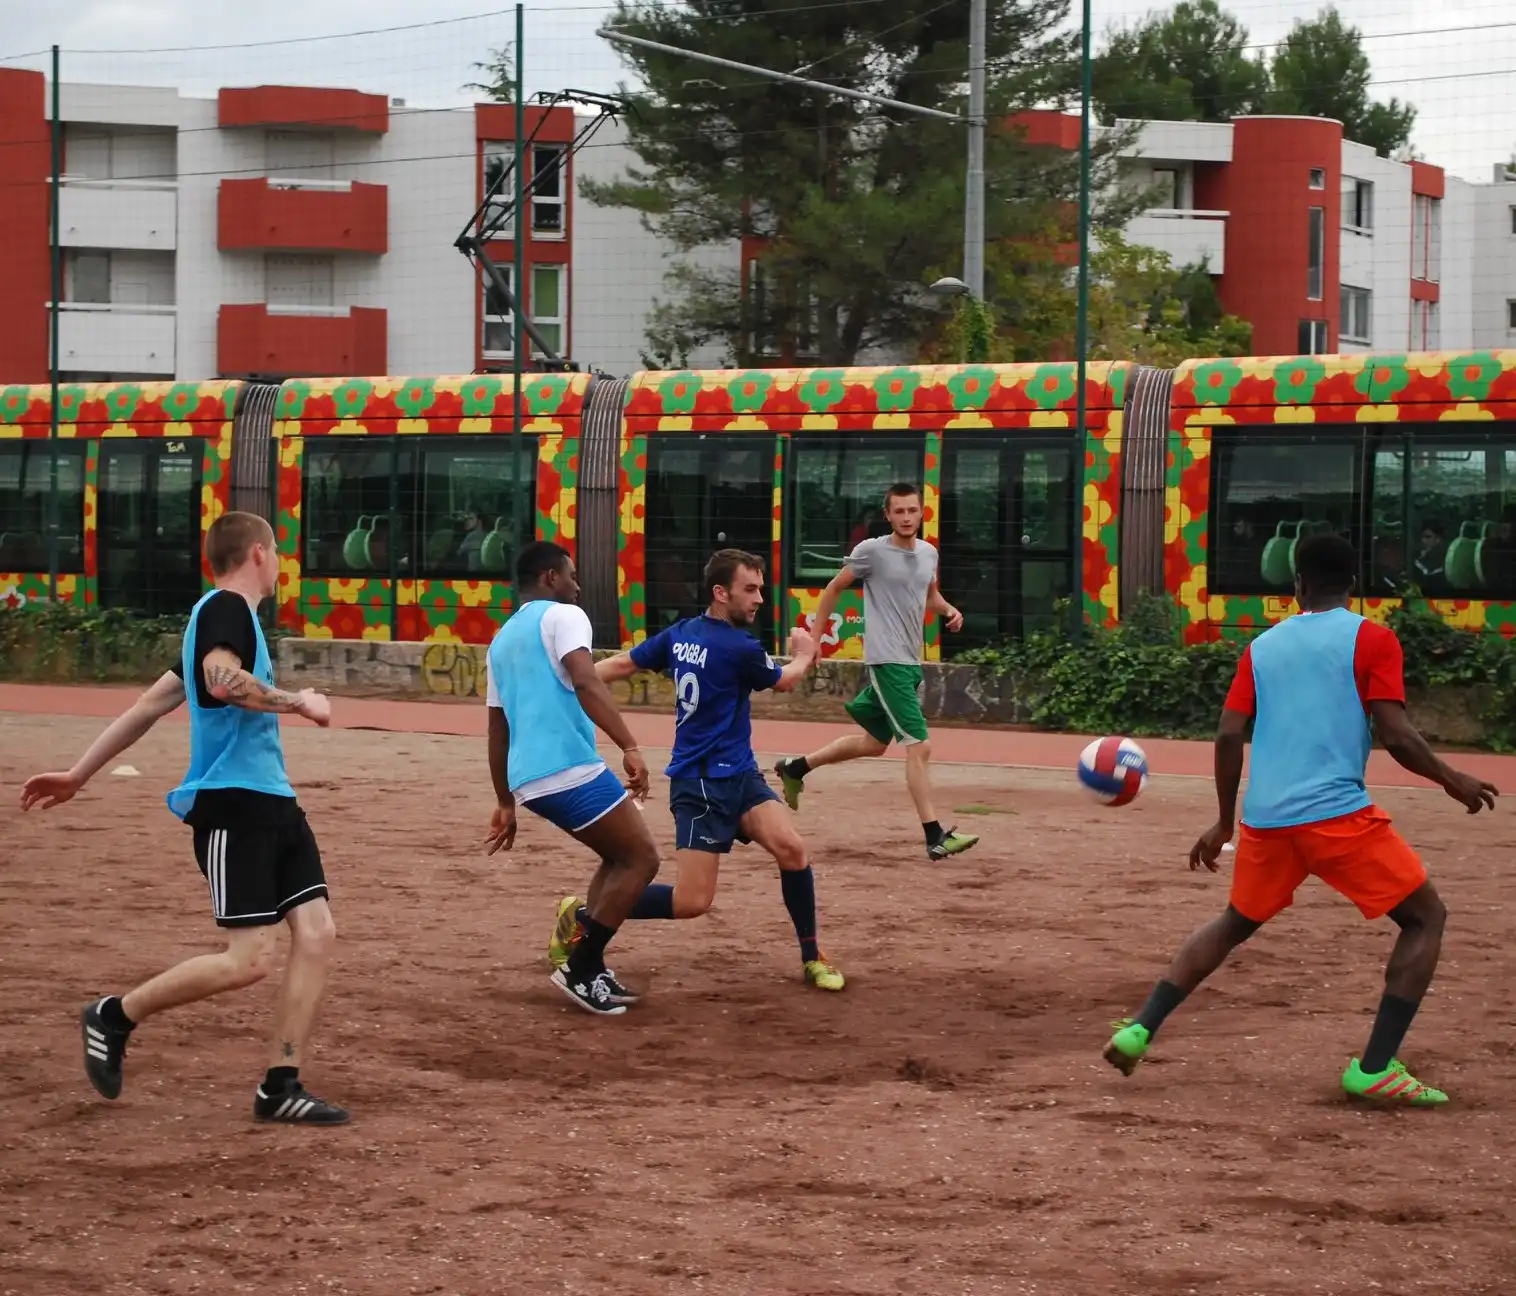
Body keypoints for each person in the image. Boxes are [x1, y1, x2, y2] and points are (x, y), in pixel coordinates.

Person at [1104, 532, 1498, 1105]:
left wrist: (1223, 824)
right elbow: (1396, 733)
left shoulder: (1261, 648)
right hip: (1336, 815)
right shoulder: (1372, 638)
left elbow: (1228, 734)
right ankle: (1375, 1068)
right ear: (1354, 586)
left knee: (1235, 921)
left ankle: (1139, 1028)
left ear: (1296, 587)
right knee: (1425, 917)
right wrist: (1451, 778)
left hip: (1267, 820)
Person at [20, 510, 346, 1125]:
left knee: (317, 933)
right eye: (276, 553)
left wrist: (77, 774)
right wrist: (299, 702)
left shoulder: (225, 620)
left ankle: (281, 1085)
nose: (279, 565)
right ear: (257, 553)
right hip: (235, 805)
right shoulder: (225, 609)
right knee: (247, 960)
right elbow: (221, 682)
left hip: (273, 802)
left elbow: (150, 705)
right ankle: (114, 1014)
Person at [593, 548, 845, 991]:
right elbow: (786, 680)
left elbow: (622, 664)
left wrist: (569, 681)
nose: (759, 599)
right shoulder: (738, 647)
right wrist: (806, 653)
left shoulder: (681, 633)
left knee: (791, 849)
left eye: (760, 589)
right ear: (719, 592)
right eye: (750, 590)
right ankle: (584, 913)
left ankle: (812, 955)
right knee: (692, 902)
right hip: (700, 783)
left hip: (740, 775)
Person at [483, 540, 661, 1017]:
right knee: (643, 859)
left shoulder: (502, 639)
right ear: (549, 578)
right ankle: (580, 968)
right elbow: (586, 680)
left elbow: (497, 727)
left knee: (619, 856)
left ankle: (590, 963)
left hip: (531, 777)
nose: (578, 585)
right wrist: (629, 745)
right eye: (571, 575)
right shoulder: (564, 616)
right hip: (566, 768)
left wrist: (505, 800)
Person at [773, 481, 978, 862]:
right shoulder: (871, 552)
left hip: (909, 661)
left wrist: (949, 611)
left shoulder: (929, 553)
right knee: (920, 745)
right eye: (898, 511)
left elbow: (929, 596)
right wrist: (816, 640)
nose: (905, 517)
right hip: (887, 663)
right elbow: (833, 589)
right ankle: (934, 835)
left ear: (921, 513)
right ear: (887, 515)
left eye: (911, 510)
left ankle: (795, 768)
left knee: (874, 743)